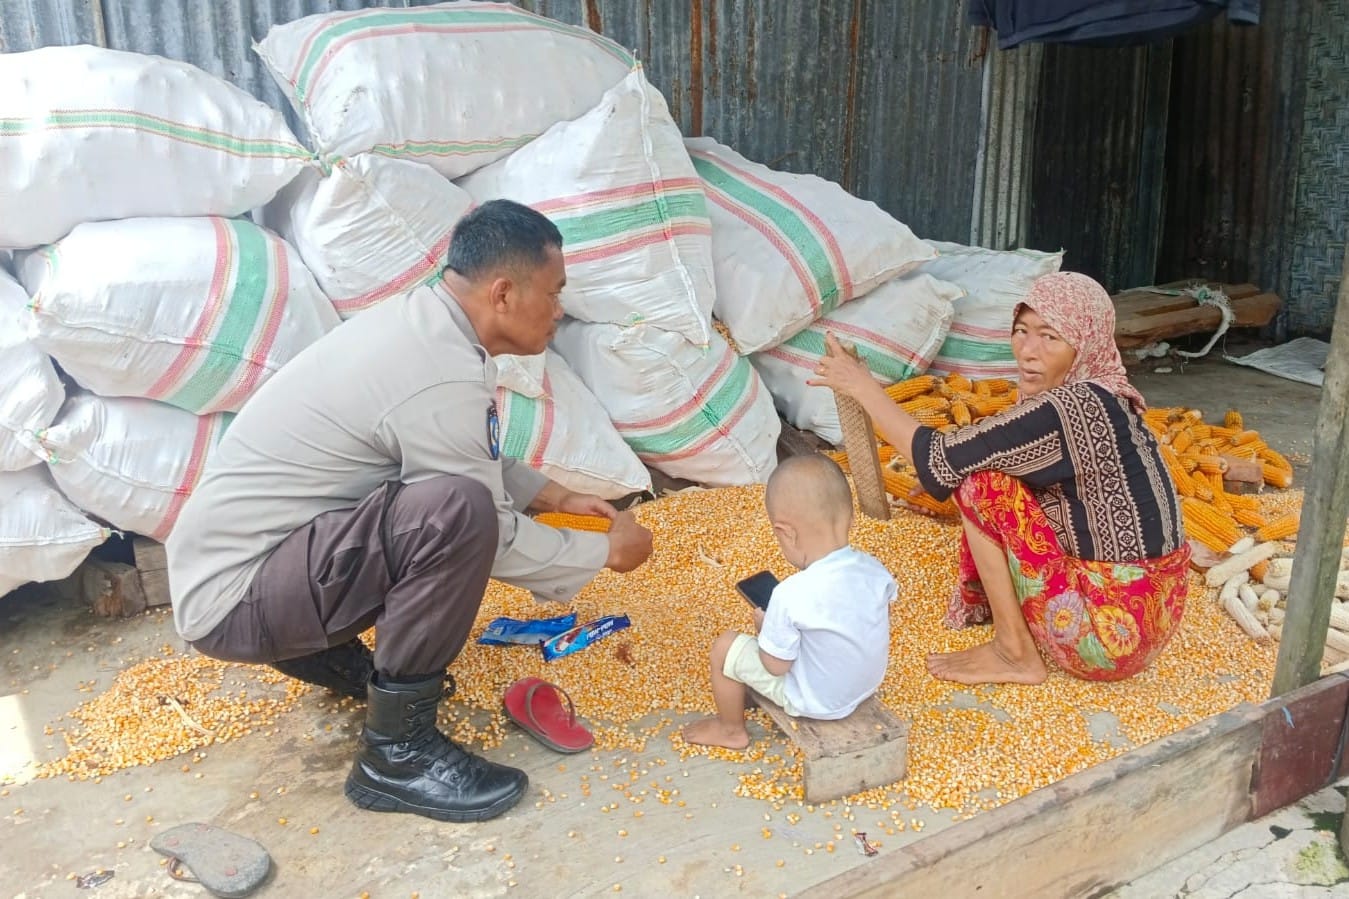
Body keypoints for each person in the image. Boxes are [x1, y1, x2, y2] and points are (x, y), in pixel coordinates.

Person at [165, 200, 654, 823]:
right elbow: (490, 531)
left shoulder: (426, 328)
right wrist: (606, 553)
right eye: (555, 294)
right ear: (504, 293)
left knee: (450, 498)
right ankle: (396, 756)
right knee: (457, 512)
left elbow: (455, 447)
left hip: (257, 570)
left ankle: (328, 651)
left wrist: (552, 495)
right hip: (237, 601)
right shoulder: (438, 368)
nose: (560, 312)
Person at [809, 271, 1188, 686]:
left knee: (981, 485)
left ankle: (1013, 653)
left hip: (1106, 639)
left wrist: (862, 386)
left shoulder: (1071, 406)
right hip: (1155, 617)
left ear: (1085, 344)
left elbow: (939, 457)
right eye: (1021, 331)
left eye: (1050, 337)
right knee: (983, 469)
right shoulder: (1106, 395)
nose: (1028, 351)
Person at [682, 454, 897, 750]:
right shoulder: (874, 569)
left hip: (815, 700)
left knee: (724, 647)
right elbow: (869, 615)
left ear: (787, 533)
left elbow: (776, 666)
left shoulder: (790, 593)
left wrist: (766, 628)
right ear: (850, 517)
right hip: (864, 686)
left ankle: (730, 730)